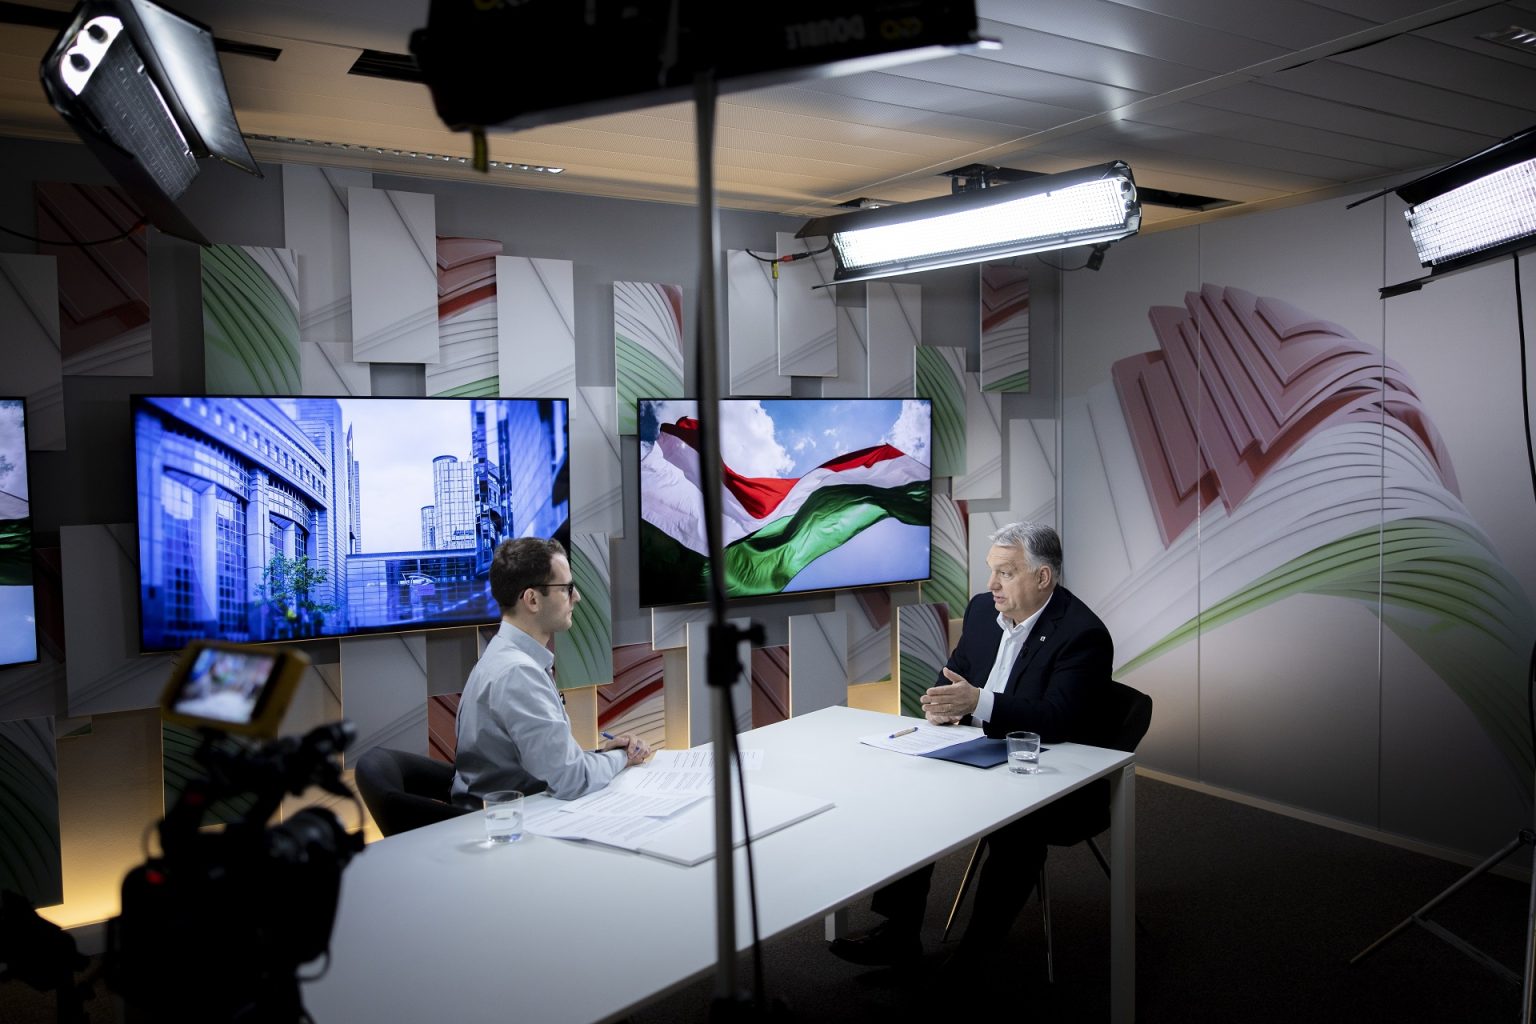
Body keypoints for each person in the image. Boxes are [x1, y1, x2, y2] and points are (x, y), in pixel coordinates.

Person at [828, 521, 1113, 967]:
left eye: (1005, 573)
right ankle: (900, 933)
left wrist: (978, 701)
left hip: (1043, 771)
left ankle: (974, 958)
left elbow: (1059, 719)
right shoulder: (983, 610)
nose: (991, 584)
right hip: (975, 751)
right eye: (990, 570)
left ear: (1043, 577)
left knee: (1017, 831)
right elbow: (954, 675)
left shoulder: (1081, 634)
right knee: (907, 793)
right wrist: (942, 706)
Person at [451, 537, 650, 808]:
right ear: (532, 599)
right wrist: (623, 757)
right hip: (511, 820)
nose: (577, 597)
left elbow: (556, 765)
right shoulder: (518, 673)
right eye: (567, 589)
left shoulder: (503, 657)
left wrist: (603, 756)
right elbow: (572, 780)